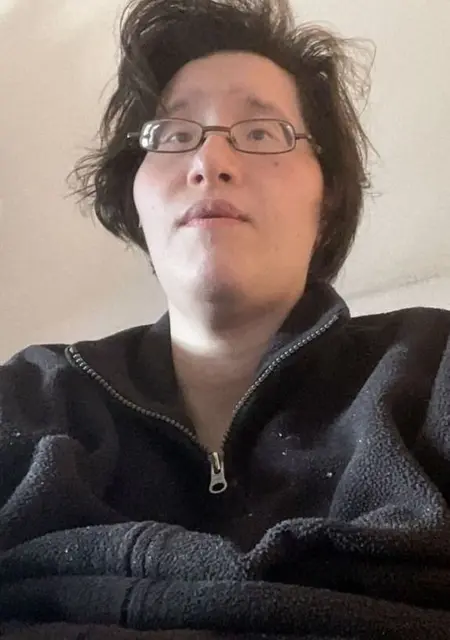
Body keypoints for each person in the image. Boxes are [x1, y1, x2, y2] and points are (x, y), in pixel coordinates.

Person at [0, 0, 449, 638]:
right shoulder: (31, 397)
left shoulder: (434, 365)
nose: (211, 162)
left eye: (261, 133)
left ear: (326, 198)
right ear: (136, 198)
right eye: (174, 134)